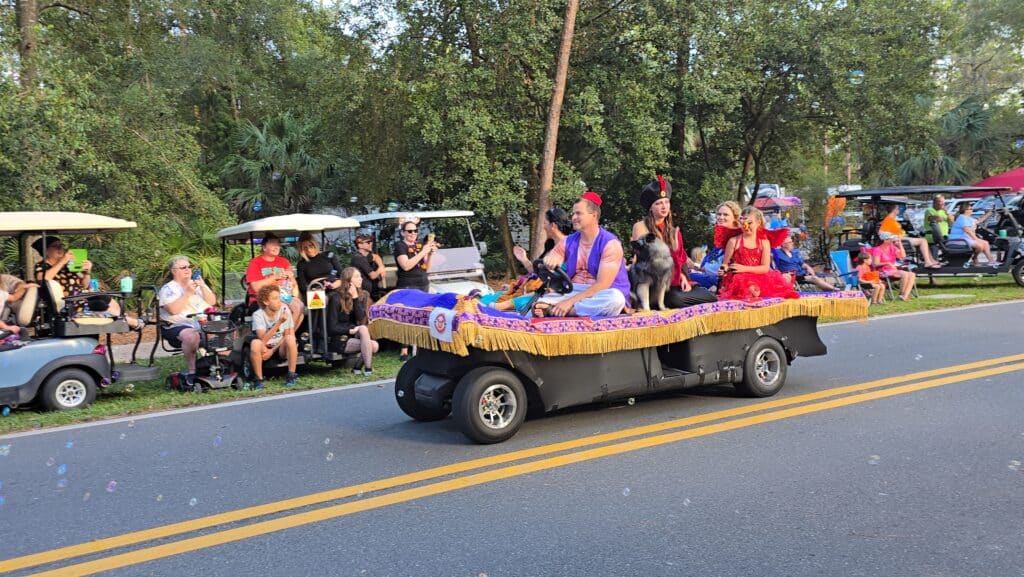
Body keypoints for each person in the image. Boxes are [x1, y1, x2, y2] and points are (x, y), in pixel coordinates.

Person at [535, 191, 630, 317]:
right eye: (573, 213)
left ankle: (565, 311)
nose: (573, 217)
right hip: (574, 290)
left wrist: (569, 302)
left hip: (602, 293)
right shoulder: (568, 241)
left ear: (594, 215)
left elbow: (602, 285)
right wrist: (551, 259)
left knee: (615, 299)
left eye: (578, 213)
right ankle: (561, 309)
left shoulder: (611, 244)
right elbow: (556, 255)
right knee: (539, 301)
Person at [629, 176, 716, 308]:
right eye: (658, 203)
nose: (664, 207)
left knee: (710, 297)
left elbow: (680, 261)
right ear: (651, 208)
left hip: (672, 282)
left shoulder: (673, 231)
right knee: (675, 299)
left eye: (666, 202)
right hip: (650, 282)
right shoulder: (640, 226)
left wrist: (682, 276)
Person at [33, 237, 141, 329]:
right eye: (56, 246)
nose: (61, 248)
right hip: (68, 305)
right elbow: (45, 279)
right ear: (46, 251)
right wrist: (63, 261)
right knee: (99, 304)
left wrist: (87, 272)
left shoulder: (67, 267)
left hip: (79, 298)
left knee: (103, 297)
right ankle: (131, 322)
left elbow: (84, 284)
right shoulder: (41, 267)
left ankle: (124, 320)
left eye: (61, 245)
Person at [158, 256, 217, 386]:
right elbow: (174, 310)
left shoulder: (197, 284)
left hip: (201, 323)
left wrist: (202, 286)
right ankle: (192, 372)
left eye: (189, 267)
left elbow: (212, 302)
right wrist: (188, 293)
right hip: (177, 325)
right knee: (191, 336)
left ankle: (217, 367)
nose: (187, 269)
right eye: (183, 267)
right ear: (174, 271)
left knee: (224, 332)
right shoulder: (168, 289)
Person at [718, 206, 799, 301]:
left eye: (749, 223)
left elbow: (765, 268)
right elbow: (725, 264)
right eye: (743, 223)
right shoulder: (733, 241)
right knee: (751, 290)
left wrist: (743, 268)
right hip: (739, 279)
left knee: (779, 291)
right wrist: (723, 270)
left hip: (761, 277)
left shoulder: (764, 242)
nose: (745, 226)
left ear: (758, 223)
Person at [393, 218, 438, 360]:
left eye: (415, 231)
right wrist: (423, 251)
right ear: (403, 233)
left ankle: (421, 346)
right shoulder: (400, 246)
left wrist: (429, 253)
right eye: (409, 231)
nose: (413, 233)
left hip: (422, 282)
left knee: (422, 314)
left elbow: (426, 267)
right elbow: (406, 265)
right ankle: (404, 349)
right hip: (408, 283)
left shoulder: (419, 245)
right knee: (407, 315)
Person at [245, 233, 304, 333]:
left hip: (283, 296)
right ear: (264, 247)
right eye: (272, 244)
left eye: (277, 244)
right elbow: (256, 287)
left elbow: (293, 284)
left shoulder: (284, 262)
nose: (276, 247)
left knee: (301, 308)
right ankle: (284, 338)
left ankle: (285, 337)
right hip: (262, 299)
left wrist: (291, 280)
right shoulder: (255, 263)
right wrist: (274, 277)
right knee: (296, 308)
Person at [327, 267, 379, 377]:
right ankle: (368, 369)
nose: (360, 279)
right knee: (365, 333)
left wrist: (355, 297)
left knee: (374, 345)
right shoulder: (336, 297)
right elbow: (332, 327)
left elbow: (360, 318)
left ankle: (358, 368)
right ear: (348, 280)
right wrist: (350, 330)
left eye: (360, 276)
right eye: (356, 277)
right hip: (340, 339)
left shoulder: (361, 295)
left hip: (355, 336)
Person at [250, 284, 299, 389]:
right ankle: (259, 379)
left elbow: (287, 334)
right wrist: (278, 322)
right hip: (265, 347)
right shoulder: (258, 315)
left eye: (279, 297)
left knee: (291, 338)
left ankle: (291, 375)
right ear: (266, 302)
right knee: (255, 343)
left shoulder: (284, 309)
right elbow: (262, 340)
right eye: (275, 298)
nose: (279, 301)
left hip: (280, 347)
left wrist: (272, 351)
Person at [691, 201, 741, 289]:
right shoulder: (721, 239)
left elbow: (729, 270)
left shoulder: (735, 239)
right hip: (708, 278)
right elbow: (708, 266)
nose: (721, 217)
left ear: (735, 218)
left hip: (720, 283)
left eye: (725, 215)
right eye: (719, 214)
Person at [878, 204, 942, 268]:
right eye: (897, 209)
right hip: (898, 241)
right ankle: (928, 262)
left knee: (922, 240)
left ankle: (932, 260)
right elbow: (884, 235)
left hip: (899, 239)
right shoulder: (889, 220)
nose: (898, 210)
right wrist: (897, 237)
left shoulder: (891, 220)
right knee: (923, 241)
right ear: (894, 210)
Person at [512, 207, 572, 273]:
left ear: (553, 226)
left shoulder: (572, 246)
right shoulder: (550, 245)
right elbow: (539, 275)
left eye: (545, 223)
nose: (543, 227)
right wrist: (524, 259)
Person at [772, 235, 840, 291]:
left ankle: (830, 290)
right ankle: (834, 289)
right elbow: (768, 254)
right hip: (791, 276)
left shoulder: (794, 253)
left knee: (816, 277)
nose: (792, 243)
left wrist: (808, 267)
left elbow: (802, 264)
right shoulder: (777, 253)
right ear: (783, 244)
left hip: (801, 274)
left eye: (792, 241)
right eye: (790, 242)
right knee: (814, 278)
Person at [296, 232, 342, 300]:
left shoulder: (329, 255)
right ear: (301, 250)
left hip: (335, 286)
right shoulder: (302, 264)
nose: (309, 250)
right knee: (332, 298)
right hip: (316, 290)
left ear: (315, 244)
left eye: (311, 246)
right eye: (305, 248)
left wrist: (338, 282)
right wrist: (313, 289)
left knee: (335, 297)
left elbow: (341, 274)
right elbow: (303, 286)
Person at [872, 232, 917, 301]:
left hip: (892, 270)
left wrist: (900, 244)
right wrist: (887, 263)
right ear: (885, 240)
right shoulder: (877, 250)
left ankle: (905, 296)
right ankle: (901, 294)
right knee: (904, 274)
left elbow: (903, 257)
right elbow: (875, 264)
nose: (893, 240)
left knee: (912, 274)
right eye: (891, 239)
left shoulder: (892, 248)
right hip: (882, 271)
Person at [949, 203, 997, 268]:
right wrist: (976, 239)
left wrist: (990, 213)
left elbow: (979, 221)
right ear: (966, 210)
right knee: (980, 245)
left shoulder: (968, 218)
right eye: (971, 209)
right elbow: (968, 231)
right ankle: (974, 258)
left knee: (985, 243)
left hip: (965, 238)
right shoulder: (962, 218)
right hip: (958, 239)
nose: (972, 210)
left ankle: (991, 261)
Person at [349, 234, 386, 299]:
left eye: (371, 241)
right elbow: (373, 276)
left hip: (372, 291)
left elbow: (376, 257)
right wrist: (381, 269)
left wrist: (381, 265)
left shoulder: (366, 255)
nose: (371, 244)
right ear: (360, 245)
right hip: (363, 293)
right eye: (368, 242)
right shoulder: (359, 258)